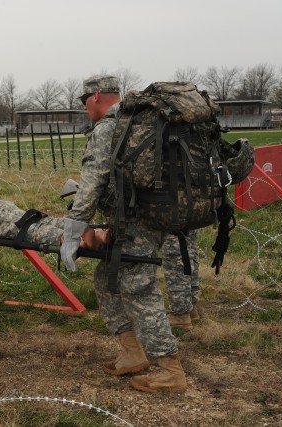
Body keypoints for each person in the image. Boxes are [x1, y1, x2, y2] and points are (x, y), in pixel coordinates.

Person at [60, 75, 187, 393]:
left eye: (84, 100)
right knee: (107, 279)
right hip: (144, 216)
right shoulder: (139, 122)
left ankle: (171, 371)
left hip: (138, 221)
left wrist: (74, 230)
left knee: (140, 290)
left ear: (97, 96)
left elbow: (93, 180)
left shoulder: (110, 127)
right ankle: (133, 354)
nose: (85, 106)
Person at [162, 230, 201, 332]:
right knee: (188, 249)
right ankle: (190, 307)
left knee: (175, 253)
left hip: (175, 217)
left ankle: (180, 315)